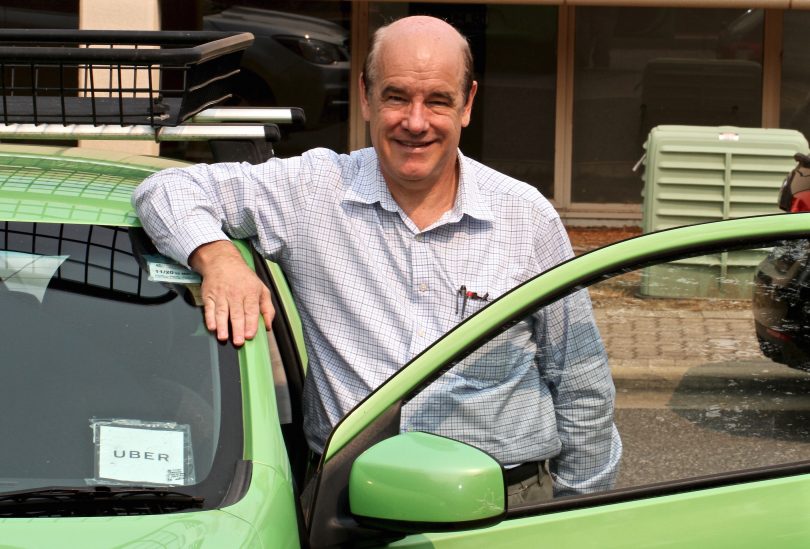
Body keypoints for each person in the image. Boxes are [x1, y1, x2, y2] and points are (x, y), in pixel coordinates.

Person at [133, 15, 621, 506]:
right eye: (396, 96)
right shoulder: (313, 192)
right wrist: (217, 256)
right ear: (365, 96)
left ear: (467, 104)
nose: (415, 122)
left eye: (437, 101)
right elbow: (165, 189)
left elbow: (580, 382)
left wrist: (582, 513)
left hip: (502, 509)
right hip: (350, 514)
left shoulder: (526, 217)